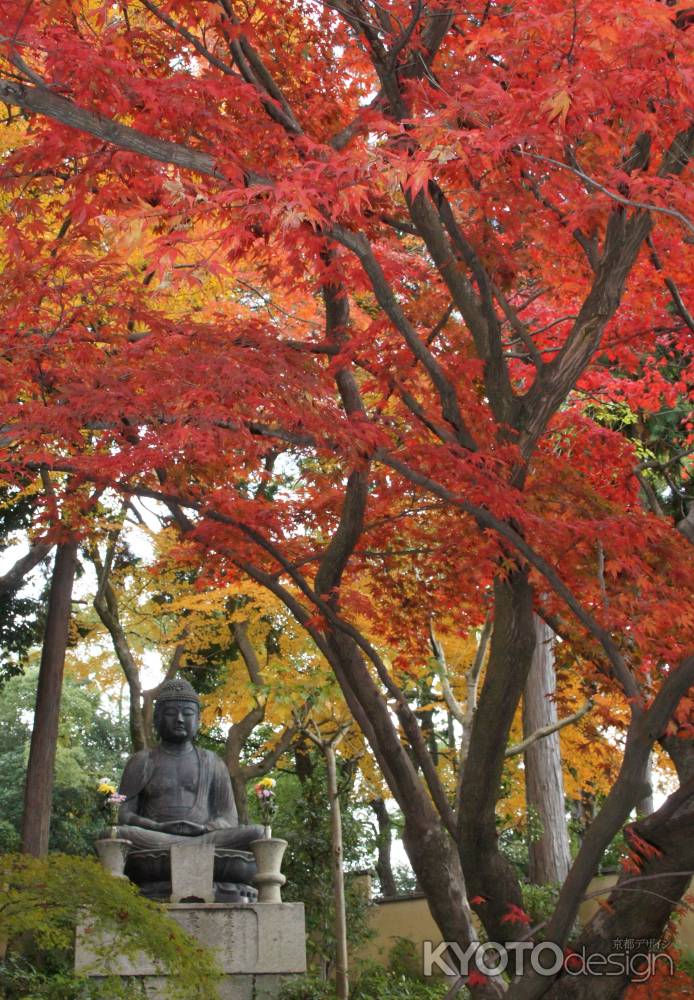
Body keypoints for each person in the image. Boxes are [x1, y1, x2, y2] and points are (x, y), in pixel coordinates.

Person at [117, 677, 263, 851]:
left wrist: (204, 829)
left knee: (258, 833)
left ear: (198, 720)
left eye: (187, 713)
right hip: (155, 838)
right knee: (117, 834)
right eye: (171, 713)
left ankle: (189, 849)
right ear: (156, 719)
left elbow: (229, 818)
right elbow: (122, 813)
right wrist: (157, 827)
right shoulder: (142, 760)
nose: (179, 719)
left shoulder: (213, 762)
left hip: (205, 838)